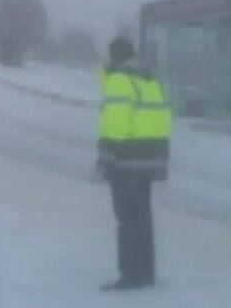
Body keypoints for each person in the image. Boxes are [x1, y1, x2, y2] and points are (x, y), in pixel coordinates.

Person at [95, 36, 171, 291]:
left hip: (126, 162)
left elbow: (115, 122)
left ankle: (130, 275)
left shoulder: (120, 81)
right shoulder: (150, 81)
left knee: (127, 220)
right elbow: (162, 122)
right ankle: (146, 272)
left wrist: (106, 156)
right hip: (148, 162)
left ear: (116, 56)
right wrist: (162, 159)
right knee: (142, 218)